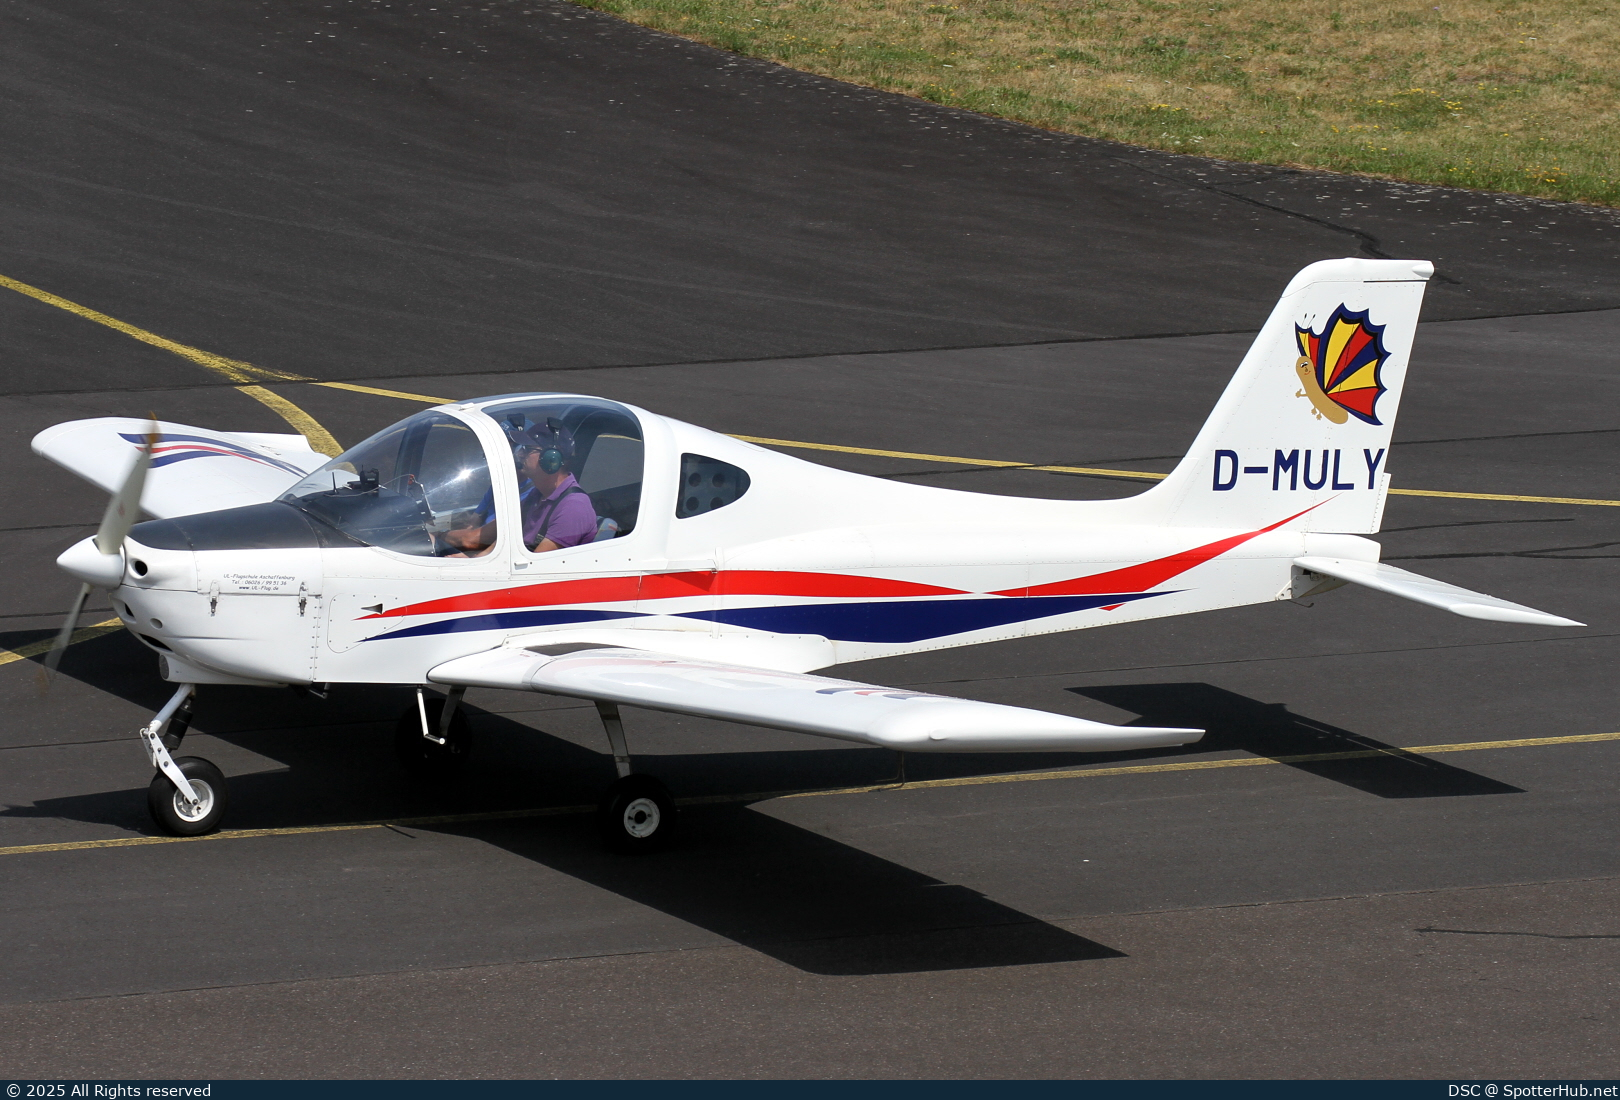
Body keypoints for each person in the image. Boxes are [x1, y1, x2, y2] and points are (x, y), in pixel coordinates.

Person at [442, 419, 596, 555]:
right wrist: (470, 562)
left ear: (551, 459)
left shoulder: (574, 507)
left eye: (527, 450)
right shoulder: (536, 495)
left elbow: (535, 568)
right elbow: (499, 542)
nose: (520, 455)